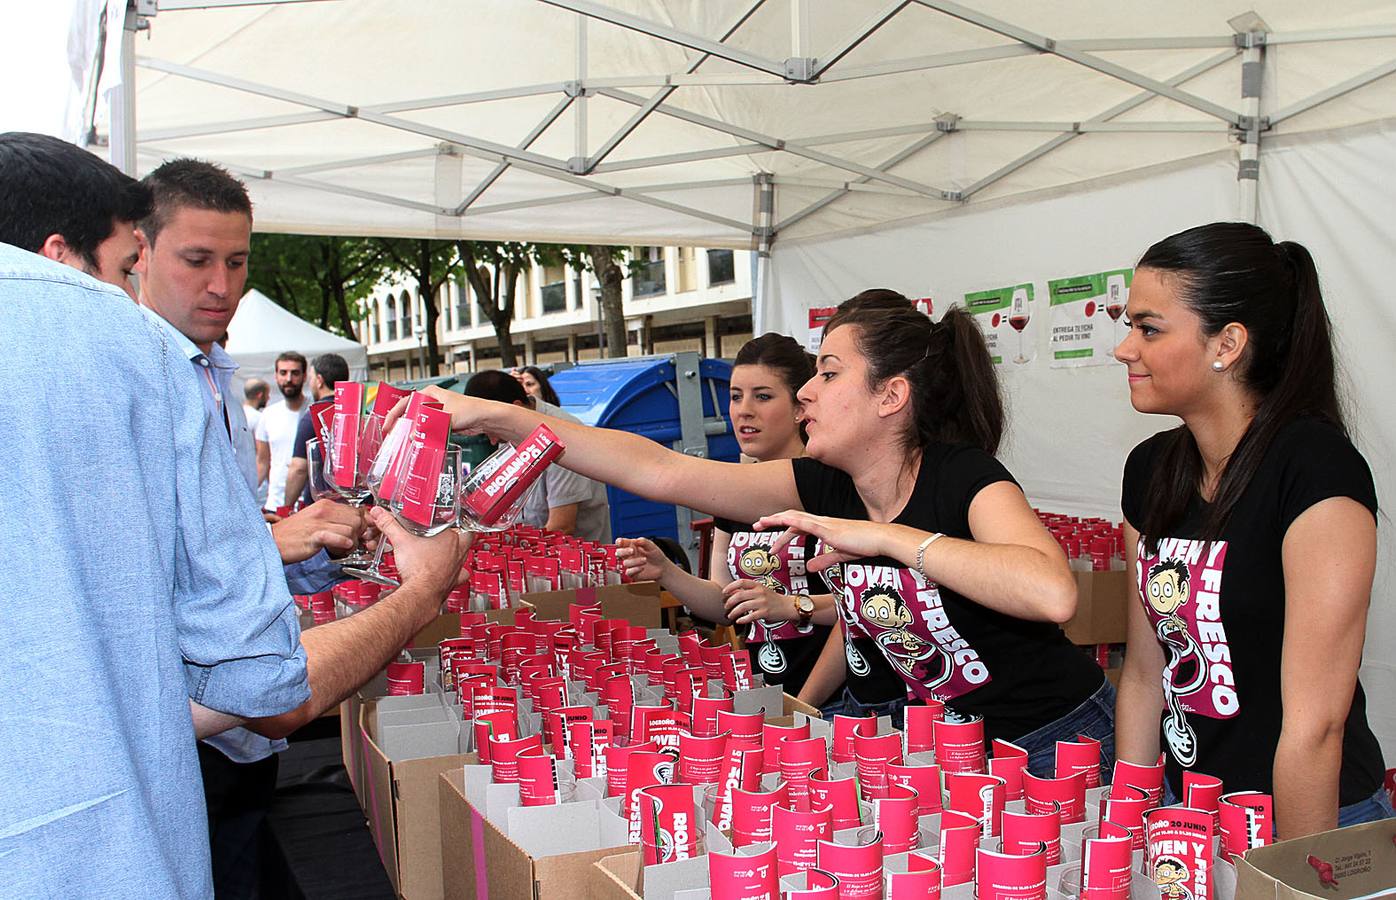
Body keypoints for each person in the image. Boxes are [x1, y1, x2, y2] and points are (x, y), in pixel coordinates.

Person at [0, 134, 468, 898]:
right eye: (186, 261)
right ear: (71, 260)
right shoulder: (139, 356)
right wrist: (419, 592)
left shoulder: (202, 370)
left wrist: (283, 550)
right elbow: (262, 686)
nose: (222, 285)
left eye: (239, 261)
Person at [418, 290, 1112, 776]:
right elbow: (658, 470)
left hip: (1055, 739)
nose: (808, 391)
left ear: (891, 397)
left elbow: (1051, 593)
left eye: (828, 373)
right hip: (949, 749)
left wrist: (891, 540)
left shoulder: (963, 476)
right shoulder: (823, 482)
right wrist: (503, 418)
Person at [1113, 222, 1390, 837]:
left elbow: (1316, 729)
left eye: (1148, 328)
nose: (1124, 348)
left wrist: (1291, 876)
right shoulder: (1152, 469)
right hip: (1189, 817)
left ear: (1228, 343)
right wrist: (1128, 824)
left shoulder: (1315, 468)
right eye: (1128, 325)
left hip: (1314, 820)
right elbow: (1143, 674)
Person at [615, 334, 848, 711]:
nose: (744, 410)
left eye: (763, 396)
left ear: (800, 407)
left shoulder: (832, 485)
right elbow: (725, 605)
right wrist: (666, 572)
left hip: (837, 702)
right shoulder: (734, 491)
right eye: (736, 396)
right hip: (767, 696)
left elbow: (866, 606)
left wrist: (792, 607)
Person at [464, 370, 612, 541]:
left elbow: (562, 526)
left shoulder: (561, 433)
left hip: (577, 560)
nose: (493, 441)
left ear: (516, 408)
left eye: (491, 430)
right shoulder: (506, 427)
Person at [283, 352, 349, 508]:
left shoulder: (313, 416)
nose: (310, 383)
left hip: (322, 507)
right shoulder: (360, 413)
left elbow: (299, 468)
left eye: (311, 378)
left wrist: (286, 507)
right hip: (358, 507)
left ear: (319, 381)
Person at [256, 350, 309, 511]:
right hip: (275, 505)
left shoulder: (314, 413)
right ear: (276, 376)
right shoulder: (268, 415)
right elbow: (262, 462)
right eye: (283, 373)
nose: (289, 379)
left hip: (308, 505)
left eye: (295, 373)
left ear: (304, 376)